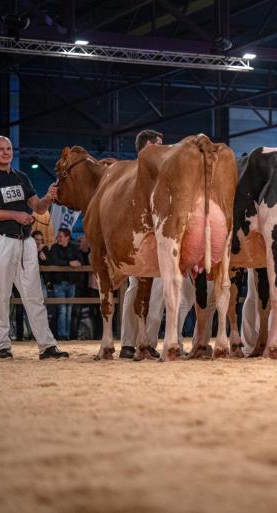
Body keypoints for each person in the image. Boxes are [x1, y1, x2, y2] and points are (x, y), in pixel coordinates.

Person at [0, 135, 68, 359]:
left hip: (26, 243)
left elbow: (39, 208)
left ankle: (47, 345)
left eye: (9, 148)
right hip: (0, 240)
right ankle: (3, 345)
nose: (7, 152)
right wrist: (15, 214)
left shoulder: (22, 177)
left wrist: (49, 197)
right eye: (1, 149)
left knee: (34, 295)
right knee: (1, 295)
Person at [119, 129, 164, 359]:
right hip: (137, 238)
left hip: (160, 237)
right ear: (147, 146)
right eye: (159, 144)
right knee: (135, 288)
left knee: (158, 291)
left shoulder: (162, 173)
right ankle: (128, 342)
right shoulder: (131, 171)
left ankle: (149, 342)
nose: (163, 148)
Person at [46, 228, 84, 340]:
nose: (58, 238)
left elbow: (80, 261)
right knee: (62, 309)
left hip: (71, 282)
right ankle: (63, 335)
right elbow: (52, 261)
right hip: (59, 282)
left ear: (67, 237)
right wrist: (69, 263)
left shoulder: (74, 248)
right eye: (58, 236)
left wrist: (76, 263)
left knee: (69, 309)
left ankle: (66, 335)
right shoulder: (54, 248)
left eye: (60, 236)